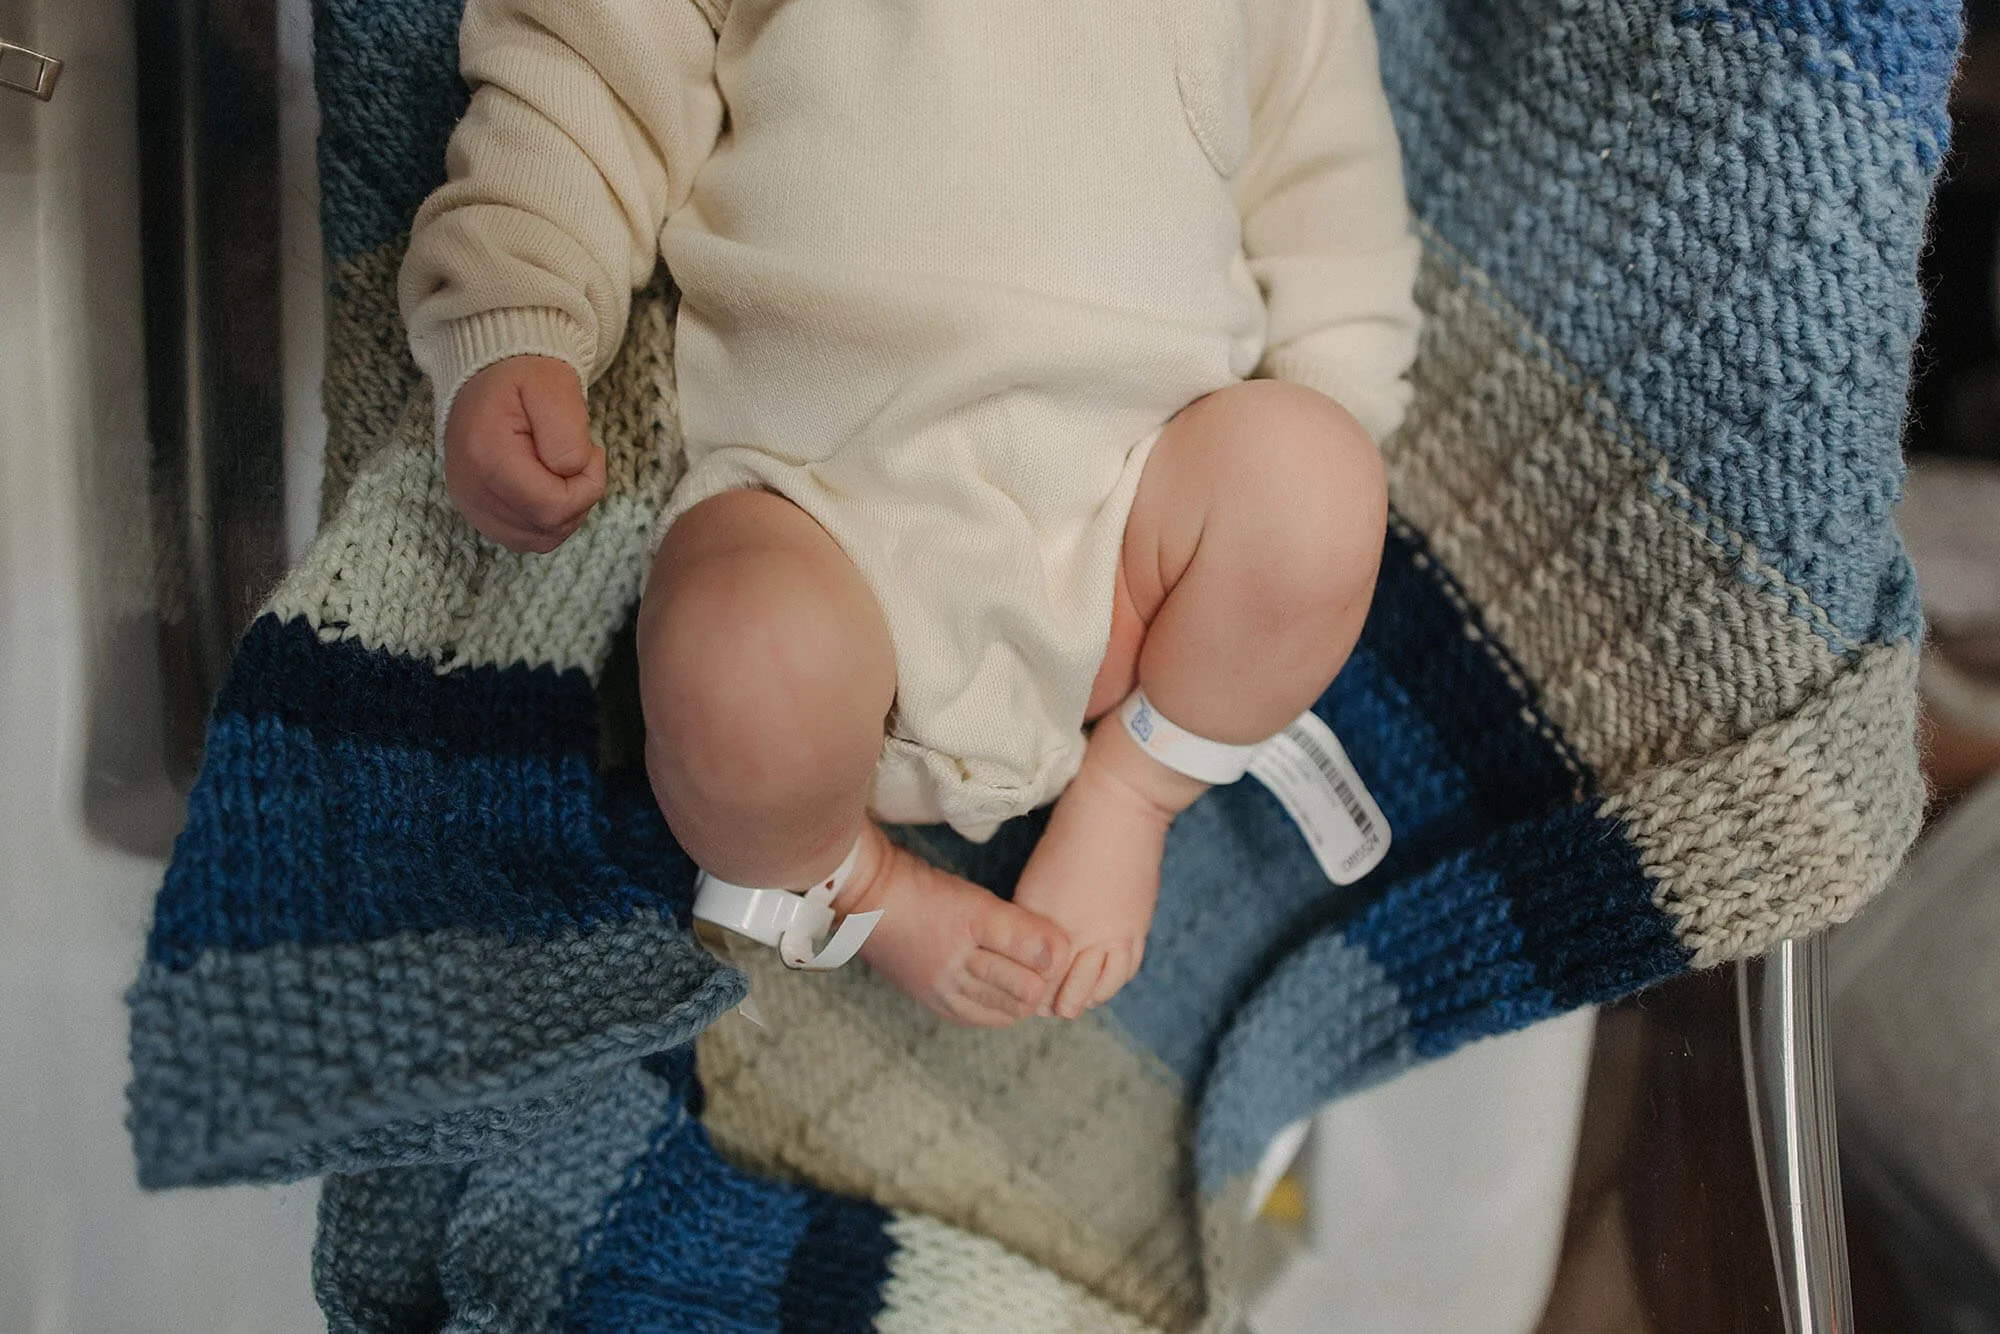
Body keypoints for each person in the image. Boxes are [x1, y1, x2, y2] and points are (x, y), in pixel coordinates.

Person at [400, 0, 1421, 1026]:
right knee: (744, 660)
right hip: (819, 510)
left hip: (1132, 542)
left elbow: (1334, 216)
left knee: (1316, 483)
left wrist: (1309, 491)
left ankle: (1134, 789)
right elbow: (593, 72)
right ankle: (850, 880)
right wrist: (514, 307)